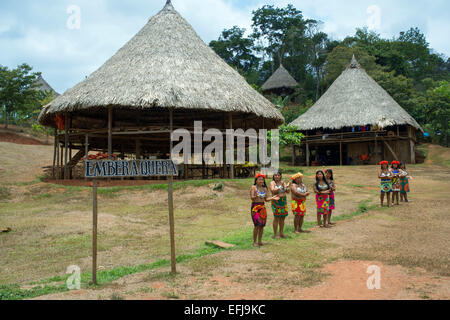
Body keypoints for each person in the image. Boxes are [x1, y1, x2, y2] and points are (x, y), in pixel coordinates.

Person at [250, 173, 279, 247]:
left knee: (262, 225)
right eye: (259, 179)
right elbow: (252, 197)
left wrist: (272, 198)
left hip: (262, 207)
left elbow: (266, 199)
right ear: (256, 180)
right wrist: (256, 196)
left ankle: (260, 241)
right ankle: (254, 242)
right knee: (257, 225)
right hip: (255, 208)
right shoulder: (253, 187)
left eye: (262, 180)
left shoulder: (265, 188)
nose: (261, 181)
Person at [270, 170, 291, 239]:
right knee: (276, 217)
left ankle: (281, 232)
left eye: (278, 175)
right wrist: (283, 187)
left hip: (283, 201)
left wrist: (287, 187)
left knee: (282, 217)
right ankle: (275, 234)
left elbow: (287, 191)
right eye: (275, 175)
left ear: (281, 176)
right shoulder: (272, 183)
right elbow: (273, 190)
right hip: (276, 202)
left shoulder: (282, 182)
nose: (277, 176)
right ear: (273, 176)